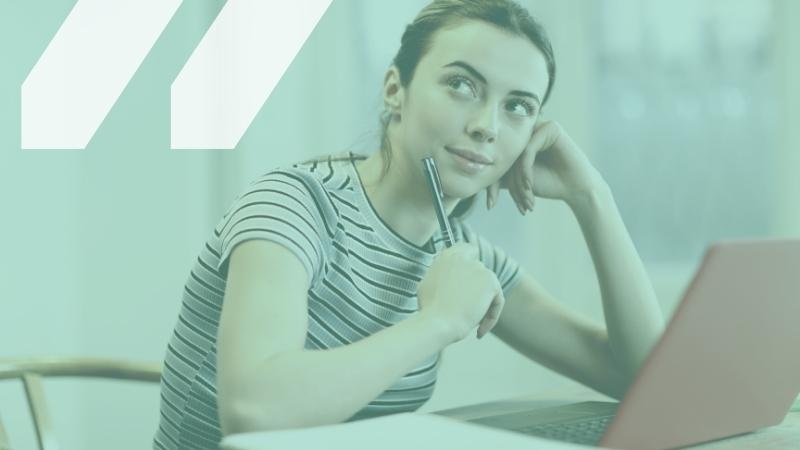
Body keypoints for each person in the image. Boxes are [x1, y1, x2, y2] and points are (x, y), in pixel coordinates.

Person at [152, 0, 665, 448]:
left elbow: (648, 380)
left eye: (517, 107)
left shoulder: (461, 253)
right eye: (462, 85)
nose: (487, 125)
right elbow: (255, 414)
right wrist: (437, 322)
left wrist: (592, 197)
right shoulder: (294, 204)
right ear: (395, 89)